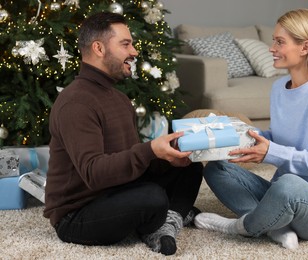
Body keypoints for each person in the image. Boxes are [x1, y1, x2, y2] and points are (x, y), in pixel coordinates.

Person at [43, 11, 203, 256]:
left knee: (189, 166)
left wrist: (166, 157)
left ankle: (164, 223)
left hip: (117, 190)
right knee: (152, 197)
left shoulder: (117, 97)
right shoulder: (76, 103)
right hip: (78, 214)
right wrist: (149, 150)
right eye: (125, 44)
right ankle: (162, 219)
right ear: (98, 48)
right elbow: (94, 174)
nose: (134, 51)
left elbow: (128, 160)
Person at [194, 8, 308, 250]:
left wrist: (270, 153)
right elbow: (277, 138)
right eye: (273, 41)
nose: (272, 48)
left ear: (305, 47)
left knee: (288, 184)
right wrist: (240, 135)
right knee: (217, 170)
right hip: (282, 194)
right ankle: (276, 226)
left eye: (280, 42)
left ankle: (238, 227)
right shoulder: (280, 88)